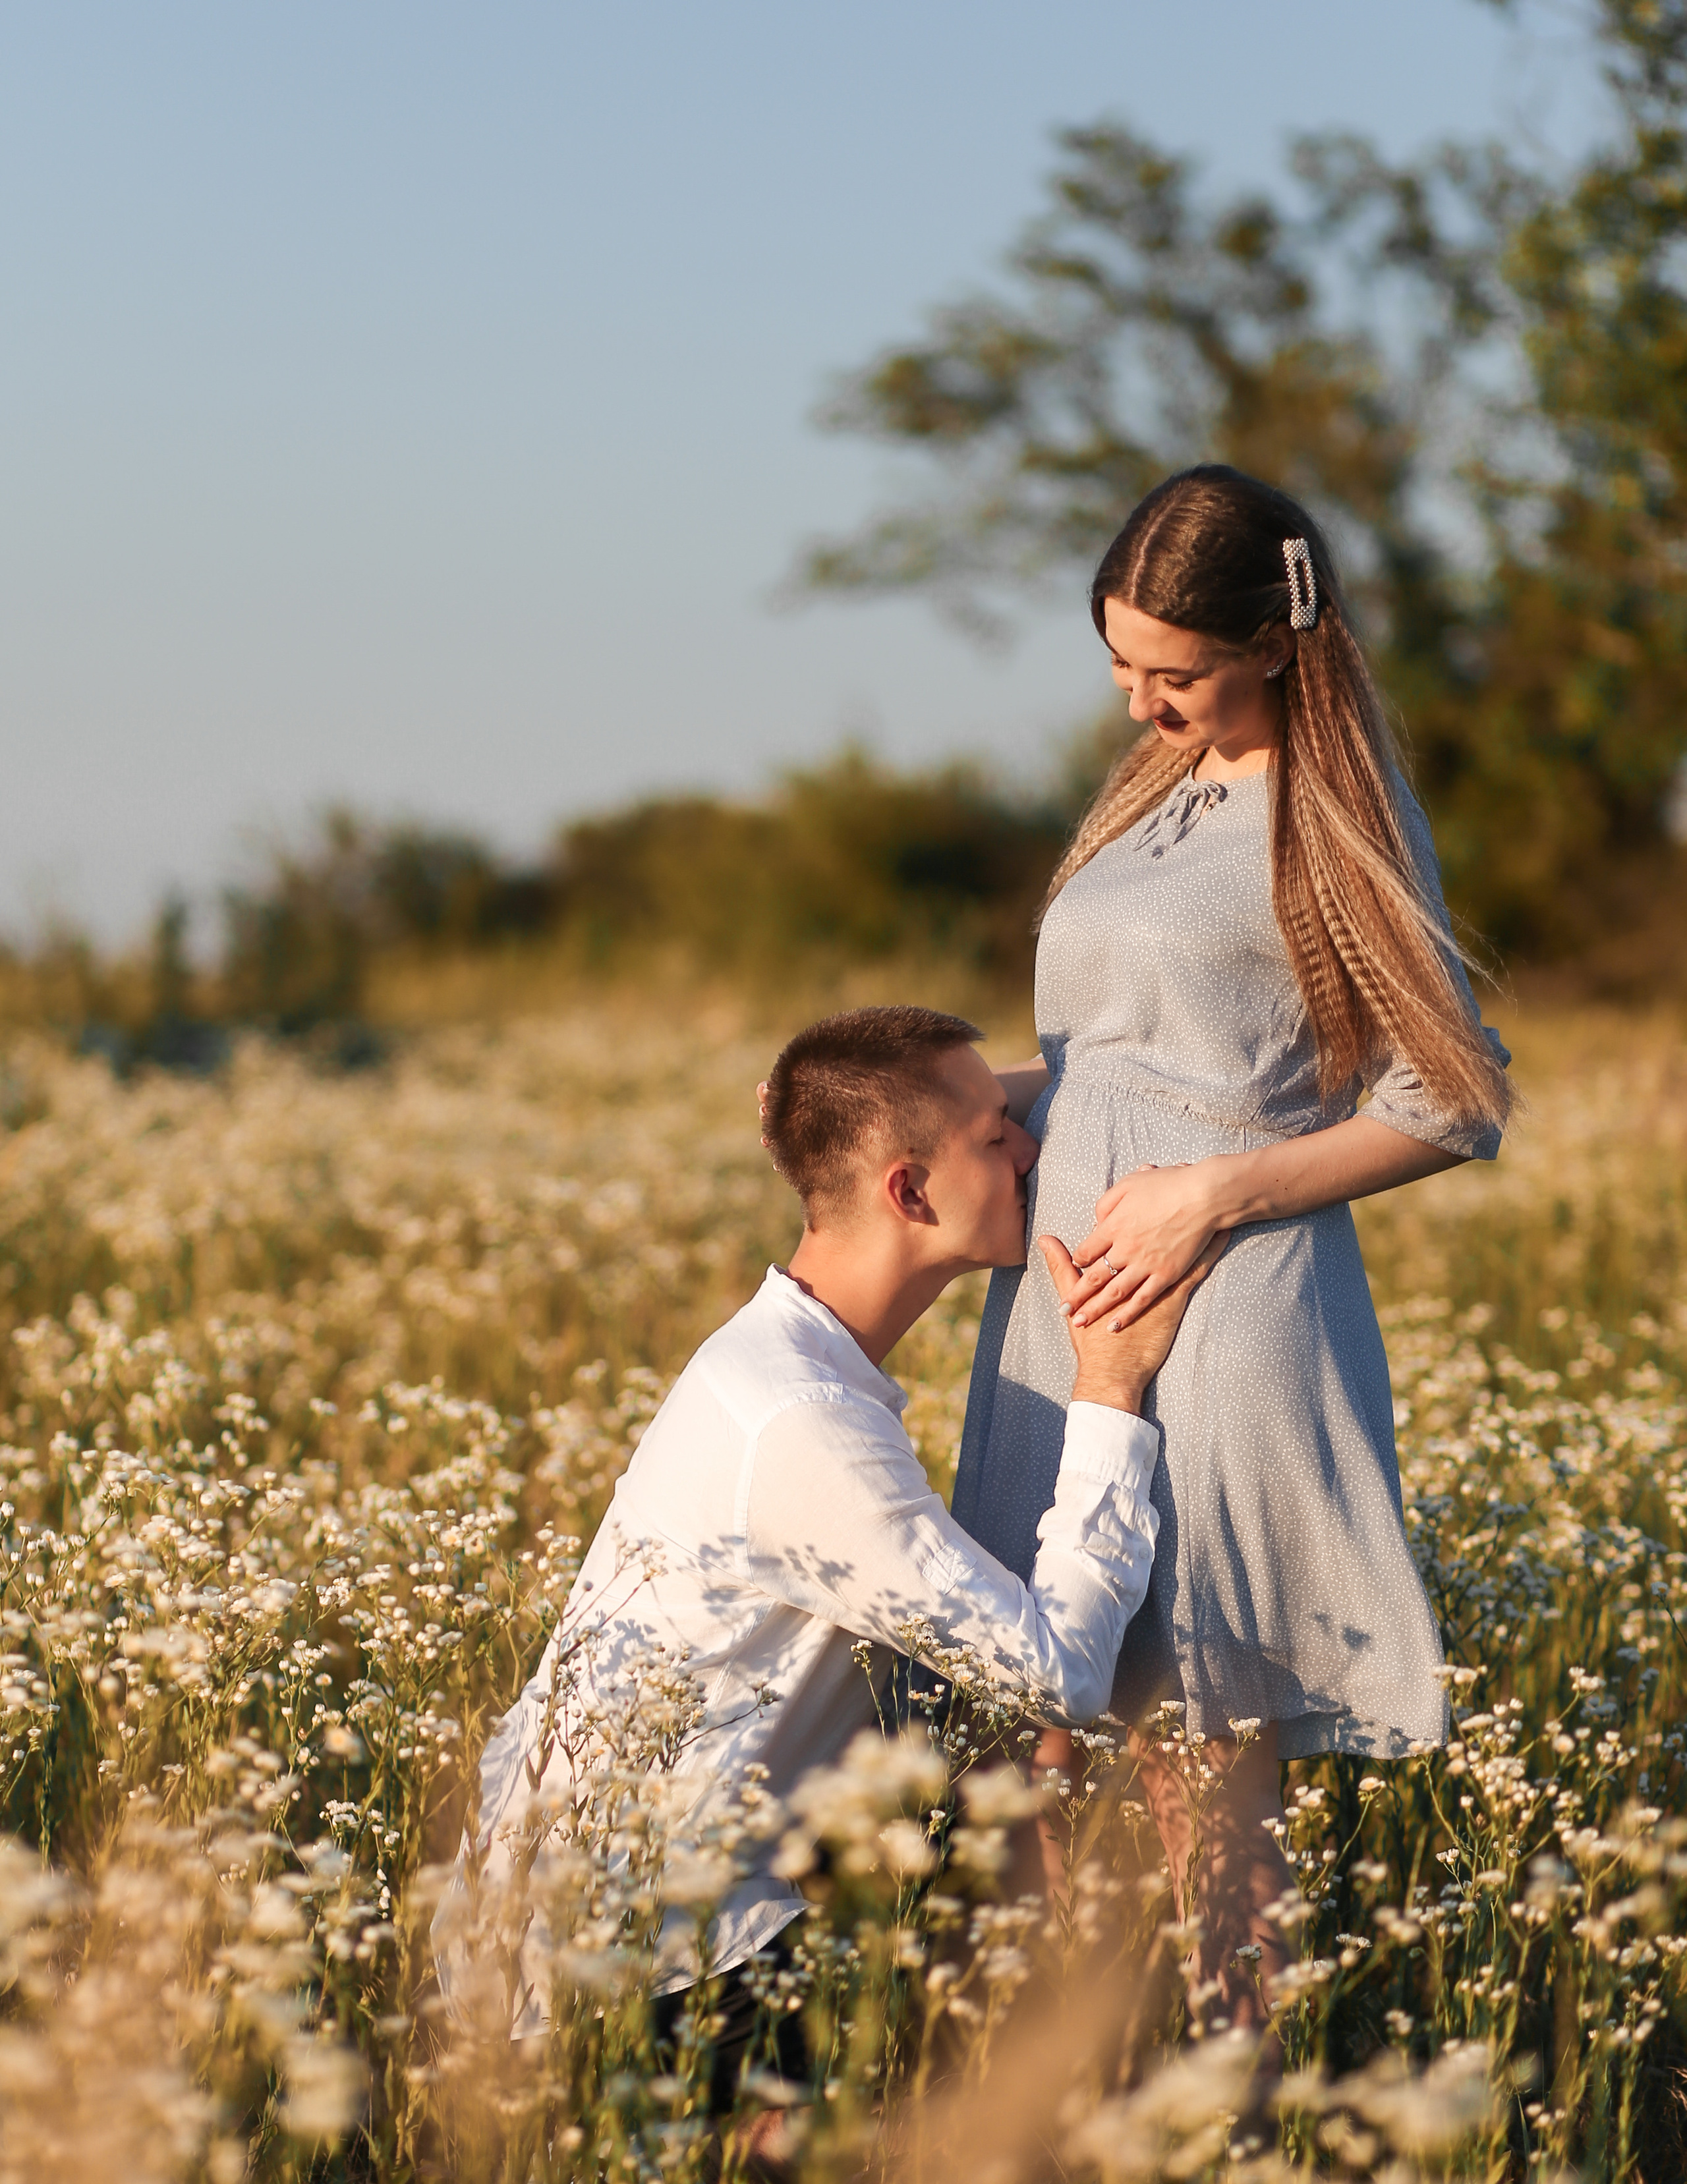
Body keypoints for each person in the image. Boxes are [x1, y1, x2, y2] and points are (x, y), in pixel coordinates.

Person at [951, 465, 1512, 2031]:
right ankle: (1037, 2147)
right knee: (1032, 1733)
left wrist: (1215, 1195)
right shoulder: (1153, 794)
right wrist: (911, 1112)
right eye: (1120, 668)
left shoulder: (1335, 818)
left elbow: (1449, 1103)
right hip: (1060, 1304)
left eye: (1174, 674)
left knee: (1198, 1764)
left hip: (1220, 1304)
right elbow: (1106, 1061)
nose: (1139, 704)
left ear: (1277, 641)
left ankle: (1215, 2178)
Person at [447, 1004, 1224, 2098]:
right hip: (629, 1970)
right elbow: (1062, 1676)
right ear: (910, 1193)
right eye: (1000, 1137)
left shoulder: (775, 1363)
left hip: (602, 1925)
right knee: (951, 2182)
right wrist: (1109, 1386)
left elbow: (888, 1119)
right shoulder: (802, 1419)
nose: (1033, 1155)